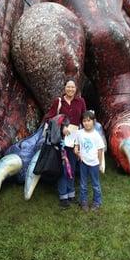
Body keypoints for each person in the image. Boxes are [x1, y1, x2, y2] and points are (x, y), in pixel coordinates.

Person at [44, 78, 86, 209]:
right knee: (63, 167)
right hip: (60, 140)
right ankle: (63, 196)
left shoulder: (80, 101)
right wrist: (62, 126)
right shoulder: (58, 102)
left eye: (73, 87)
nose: (70, 89)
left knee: (72, 167)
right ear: (64, 88)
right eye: (68, 87)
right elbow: (49, 118)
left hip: (74, 140)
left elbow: (85, 117)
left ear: (76, 89)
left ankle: (71, 193)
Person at [74, 110, 105, 212]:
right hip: (83, 163)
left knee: (95, 184)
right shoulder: (79, 133)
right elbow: (76, 145)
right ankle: (84, 201)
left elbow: (100, 150)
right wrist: (77, 151)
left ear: (93, 121)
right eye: (84, 121)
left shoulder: (96, 135)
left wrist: (100, 163)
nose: (86, 123)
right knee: (83, 184)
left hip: (94, 163)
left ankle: (97, 202)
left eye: (89, 121)